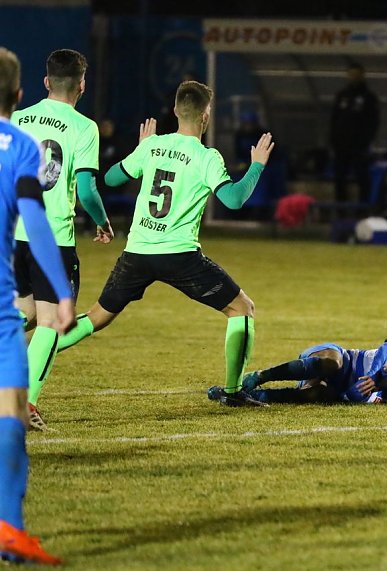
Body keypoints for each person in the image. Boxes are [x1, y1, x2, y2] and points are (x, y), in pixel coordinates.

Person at [51, 80, 275, 407]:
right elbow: (234, 199)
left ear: (174, 111)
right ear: (205, 116)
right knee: (242, 309)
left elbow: (111, 178)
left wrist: (141, 149)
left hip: (138, 252)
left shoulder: (153, 146)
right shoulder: (206, 156)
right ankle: (233, 392)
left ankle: (35, 352)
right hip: (179, 256)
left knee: (96, 317)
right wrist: (257, 165)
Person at [10, 49, 113, 430]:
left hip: (15, 231)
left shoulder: (18, 118)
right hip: (52, 236)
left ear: (46, 82)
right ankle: (27, 404)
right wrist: (102, 221)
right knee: (51, 323)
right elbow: (86, 189)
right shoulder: (85, 128)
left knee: (25, 312)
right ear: (82, 85)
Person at [0, 45, 74, 566]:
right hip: (5, 309)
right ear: (20, 93)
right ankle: (12, 532)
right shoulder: (22, 147)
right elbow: (37, 217)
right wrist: (63, 292)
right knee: (10, 419)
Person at [208, 333, 387, 405]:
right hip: (338, 355)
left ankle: (252, 397)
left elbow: (353, 396)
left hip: (334, 387)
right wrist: (376, 373)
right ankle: (259, 377)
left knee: (318, 395)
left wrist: (381, 380)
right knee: (332, 363)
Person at [329, 62, 379, 204]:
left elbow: (373, 121)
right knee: (340, 177)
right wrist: (333, 140)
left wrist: (367, 140)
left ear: (362, 76)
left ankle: (363, 208)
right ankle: (340, 209)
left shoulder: (368, 97)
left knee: (362, 176)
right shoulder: (342, 96)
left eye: (357, 75)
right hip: (341, 145)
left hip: (360, 145)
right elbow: (334, 119)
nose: (354, 78)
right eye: (351, 75)